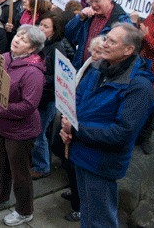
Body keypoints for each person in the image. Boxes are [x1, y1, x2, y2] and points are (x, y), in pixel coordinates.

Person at [60, 23, 154, 228]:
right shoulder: (97, 70)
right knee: (87, 211)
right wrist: (66, 122)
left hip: (101, 163)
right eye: (106, 38)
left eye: (111, 41)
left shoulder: (139, 87)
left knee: (101, 219)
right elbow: (77, 100)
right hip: (80, 153)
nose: (104, 44)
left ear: (128, 50)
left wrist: (76, 130)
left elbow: (121, 134)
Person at [0, 25, 46, 227]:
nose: (17, 40)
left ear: (32, 49)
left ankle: (24, 211)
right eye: (18, 35)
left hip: (21, 132)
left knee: (20, 173)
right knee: (0, 164)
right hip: (0, 125)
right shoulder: (5, 58)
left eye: (24, 40)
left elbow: (28, 106)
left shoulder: (33, 74)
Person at [57, 35, 104, 223]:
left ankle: (80, 207)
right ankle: (76, 194)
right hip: (72, 121)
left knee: (78, 169)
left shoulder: (100, 74)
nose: (94, 55)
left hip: (82, 127)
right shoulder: (89, 67)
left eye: (100, 52)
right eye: (93, 51)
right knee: (68, 163)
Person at [30, 11, 68, 180]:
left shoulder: (57, 49)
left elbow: (58, 79)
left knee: (40, 133)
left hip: (47, 99)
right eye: (40, 24)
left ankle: (42, 166)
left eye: (46, 26)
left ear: (54, 30)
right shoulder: (40, 44)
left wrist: (35, 76)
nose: (41, 28)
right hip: (37, 95)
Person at [65, 0, 131, 69]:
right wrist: (79, 18)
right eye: (91, 1)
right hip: (81, 67)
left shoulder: (122, 21)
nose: (93, 5)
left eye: (97, 1)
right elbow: (69, 34)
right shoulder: (88, 15)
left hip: (100, 71)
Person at [131, 0, 154, 155]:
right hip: (143, 64)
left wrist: (148, 36)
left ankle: (145, 137)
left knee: (153, 103)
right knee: (138, 98)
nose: (151, 4)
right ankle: (136, 132)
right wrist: (137, 27)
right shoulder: (150, 17)